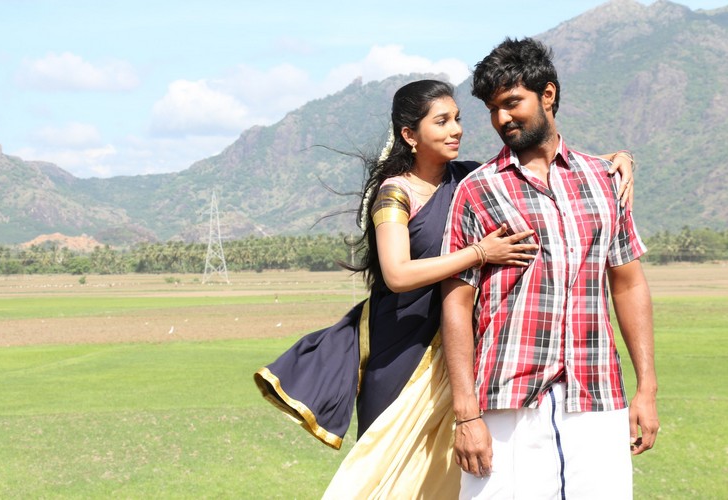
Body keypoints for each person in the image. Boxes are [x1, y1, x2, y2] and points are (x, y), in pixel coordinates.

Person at [254, 79, 635, 498]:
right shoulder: (395, 193)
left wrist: (617, 159)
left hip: (461, 349)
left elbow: (541, 160)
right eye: (441, 122)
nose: (456, 130)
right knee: (391, 472)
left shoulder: (468, 177)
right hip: (403, 347)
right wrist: (479, 253)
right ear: (409, 135)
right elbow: (397, 274)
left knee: (452, 478)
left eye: (457, 119)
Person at [440, 37, 658, 499]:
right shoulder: (477, 190)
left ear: (548, 95)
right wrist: (466, 413)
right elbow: (456, 304)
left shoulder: (605, 180)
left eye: (512, 102)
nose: (502, 118)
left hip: (597, 393)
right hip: (506, 399)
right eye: (493, 109)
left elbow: (628, 284)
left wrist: (647, 388)